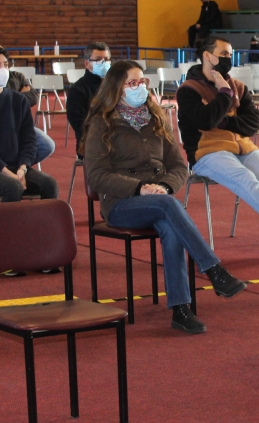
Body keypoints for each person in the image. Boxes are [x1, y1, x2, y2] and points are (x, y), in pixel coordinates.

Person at [83, 60, 247, 334]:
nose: (140, 88)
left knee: (171, 225)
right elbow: (96, 176)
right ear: (116, 89)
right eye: (132, 83)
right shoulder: (102, 122)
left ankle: (181, 309)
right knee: (169, 207)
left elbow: (179, 166)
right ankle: (214, 271)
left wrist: (165, 186)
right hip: (122, 202)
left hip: (160, 198)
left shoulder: (156, 116)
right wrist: (140, 188)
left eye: (142, 82)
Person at [176, 36, 259, 258]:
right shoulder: (188, 90)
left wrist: (225, 121)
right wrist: (224, 95)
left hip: (243, 148)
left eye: (230, 54)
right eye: (224, 54)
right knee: (245, 179)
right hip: (206, 153)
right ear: (208, 56)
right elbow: (205, 122)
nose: (229, 59)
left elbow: (252, 124)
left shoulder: (239, 86)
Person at [0, 45, 59, 202]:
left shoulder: (18, 100)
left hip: (16, 167)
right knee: (12, 186)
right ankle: (9, 227)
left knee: (50, 184)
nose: (3, 70)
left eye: (6, 65)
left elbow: (29, 139)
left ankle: (46, 226)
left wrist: (23, 168)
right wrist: (8, 173)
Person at [0, 62, 54, 164]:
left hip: (17, 122)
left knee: (46, 145)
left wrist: (14, 98)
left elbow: (33, 97)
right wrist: (17, 95)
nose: (2, 68)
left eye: (5, 64)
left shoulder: (18, 76)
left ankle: (18, 166)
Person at [66, 42, 112, 157]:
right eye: (98, 60)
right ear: (87, 63)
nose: (104, 63)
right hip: (91, 145)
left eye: (106, 59)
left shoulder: (115, 87)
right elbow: (80, 127)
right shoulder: (78, 90)